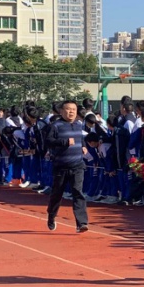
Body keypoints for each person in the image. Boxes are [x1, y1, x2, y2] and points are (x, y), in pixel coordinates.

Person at [45, 100, 88, 233]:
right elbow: (49, 141)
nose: (71, 112)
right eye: (68, 109)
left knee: (78, 192)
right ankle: (51, 216)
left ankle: (81, 223)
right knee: (57, 194)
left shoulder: (78, 125)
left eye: (74, 110)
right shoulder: (55, 125)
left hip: (78, 165)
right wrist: (63, 142)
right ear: (62, 111)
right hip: (61, 167)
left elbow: (81, 138)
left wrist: (84, 146)